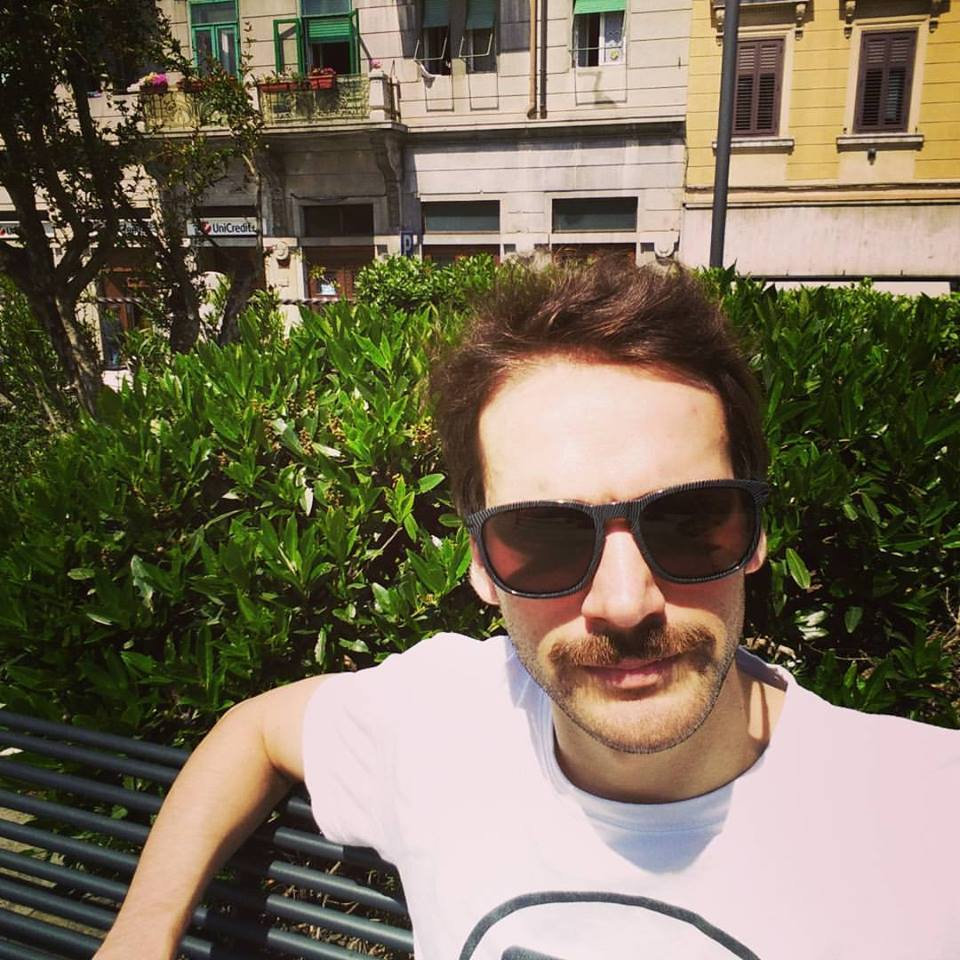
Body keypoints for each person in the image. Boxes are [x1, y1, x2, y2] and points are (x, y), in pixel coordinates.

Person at [94, 260, 959, 960]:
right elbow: (255, 731)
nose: (625, 601)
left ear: (756, 532)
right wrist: (141, 934)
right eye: (544, 538)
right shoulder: (442, 720)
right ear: (481, 565)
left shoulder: (921, 823)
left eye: (690, 522)